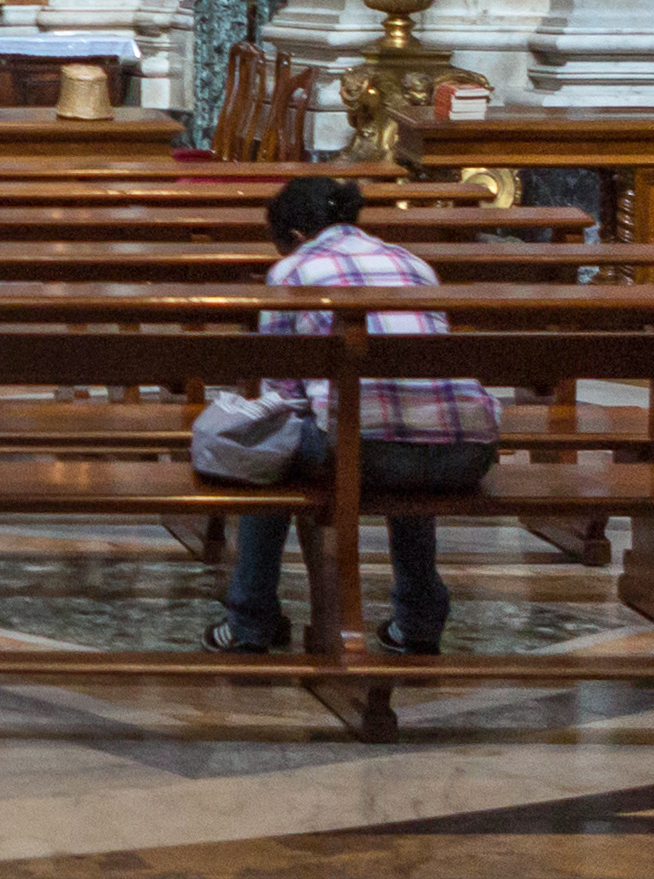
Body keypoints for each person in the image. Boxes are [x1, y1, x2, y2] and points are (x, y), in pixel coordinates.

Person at [208, 173, 499, 655]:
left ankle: (249, 621)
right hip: (465, 453)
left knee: (266, 451)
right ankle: (420, 620)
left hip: (367, 453)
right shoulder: (415, 265)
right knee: (409, 432)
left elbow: (283, 398)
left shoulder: (292, 273)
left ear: (296, 236)